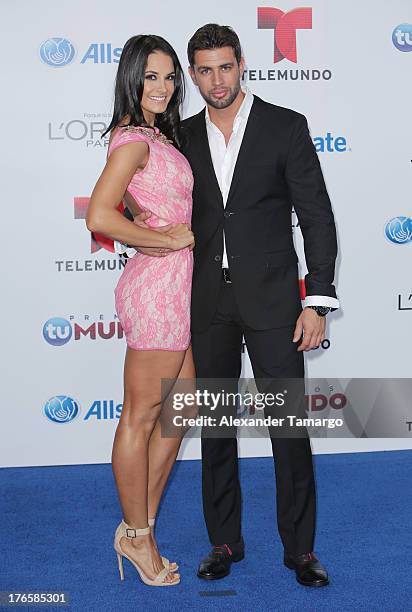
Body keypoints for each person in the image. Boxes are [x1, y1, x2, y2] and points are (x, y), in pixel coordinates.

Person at [120, 24, 339, 587]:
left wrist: (315, 299)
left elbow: (316, 216)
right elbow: (136, 184)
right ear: (193, 74)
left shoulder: (285, 126)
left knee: (288, 427)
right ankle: (224, 542)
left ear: (242, 64)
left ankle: (301, 551)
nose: (216, 80)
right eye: (204, 70)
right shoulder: (179, 136)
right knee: (215, 426)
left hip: (273, 302)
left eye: (226, 67)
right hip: (205, 301)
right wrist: (138, 215)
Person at [86, 34, 195, 587]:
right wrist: (165, 240)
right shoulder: (131, 140)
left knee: (184, 409)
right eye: (151, 76)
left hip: (179, 289)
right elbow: (101, 217)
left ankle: (140, 525)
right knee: (142, 416)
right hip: (157, 289)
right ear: (131, 77)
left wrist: (164, 239)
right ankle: (137, 535)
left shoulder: (157, 135)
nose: (163, 86)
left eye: (170, 76)